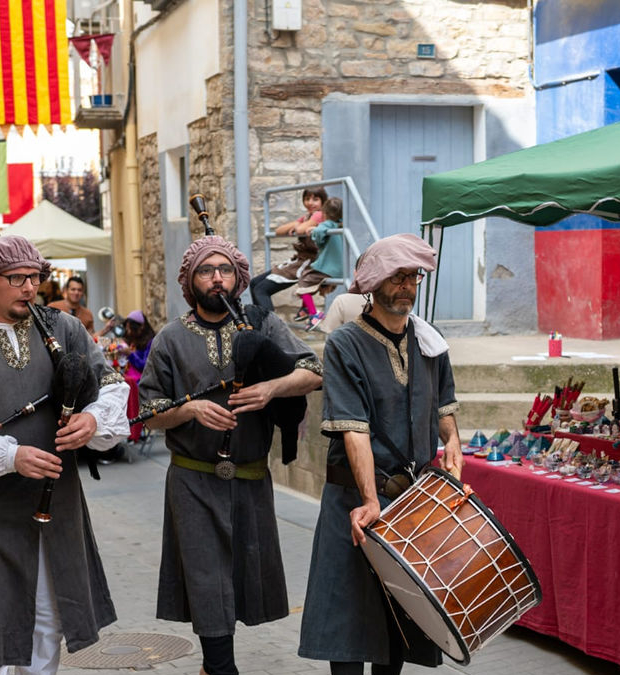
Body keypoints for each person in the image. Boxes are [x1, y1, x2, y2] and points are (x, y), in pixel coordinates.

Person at [0, 235, 130, 674]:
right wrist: (10, 456)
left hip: (57, 507)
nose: (29, 288)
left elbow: (110, 386)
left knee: (48, 622)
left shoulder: (63, 328)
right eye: (16, 278)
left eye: (35, 277)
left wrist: (91, 420)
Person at [138, 234, 322, 675]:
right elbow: (148, 412)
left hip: (251, 476)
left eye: (225, 270)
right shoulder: (171, 338)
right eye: (206, 270)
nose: (217, 278)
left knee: (242, 575)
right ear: (191, 281)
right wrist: (189, 409)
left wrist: (271, 388)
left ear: (238, 278)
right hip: (193, 478)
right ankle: (220, 667)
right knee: (206, 577)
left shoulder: (262, 325)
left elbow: (313, 371)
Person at [298, 233, 463, 675]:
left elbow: (445, 407)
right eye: (397, 276)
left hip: (411, 502)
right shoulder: (345, 344)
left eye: (413, 277)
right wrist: (370, 501)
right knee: (349, 622)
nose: (407, 286)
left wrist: (454, 448)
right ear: (372, 283)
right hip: (354, 499)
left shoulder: (429, 341)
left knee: (398, 623)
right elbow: (354, 430)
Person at [249, 186, 328, 317]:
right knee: (254, 283)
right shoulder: (307, 217)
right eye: (307, 199)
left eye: (315, 199)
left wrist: (297, 227)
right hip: (300, 259)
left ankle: (271, 328)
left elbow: (300, 230)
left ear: (323, 201)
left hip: (311, 262)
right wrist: (297, 225)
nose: (310, 202)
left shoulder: (319, 215)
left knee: (261, 290)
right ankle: (262, 324)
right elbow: (279, 230)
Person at [296, 197, 346, 329]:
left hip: (326, 268)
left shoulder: (327, 224)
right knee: (308, 279)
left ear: (325, 214)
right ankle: (305, 308)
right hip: (339, 269)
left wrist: (311, 230)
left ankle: (313, 312)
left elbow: (318, 234)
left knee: (303, 282)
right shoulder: (341, 225)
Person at [121, 310, 155, 443]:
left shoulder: (151, 341)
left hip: (143, 379)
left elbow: (144, 365)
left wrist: (130, 354)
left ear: (140, 327)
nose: (128, 331)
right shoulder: (133, 340)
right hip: (131, 377)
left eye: (130, 328)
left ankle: (135, 429)